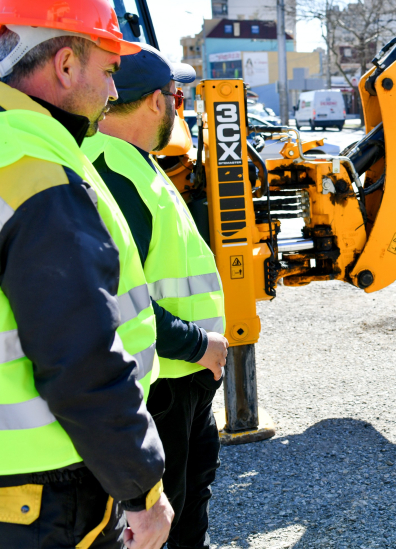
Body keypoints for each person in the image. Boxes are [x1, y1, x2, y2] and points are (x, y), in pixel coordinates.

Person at [0, 0, 173, 548]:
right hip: (42, 492)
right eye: (108, 69)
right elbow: (80, 353)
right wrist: (141, 489)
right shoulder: (37, 171)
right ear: (65, 64)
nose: (113, 92)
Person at [83, 44, 229, 549]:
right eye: (178, 96)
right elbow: (117, 297)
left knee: (189, 507)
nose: (179, 107)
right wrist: (200, 346)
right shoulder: (113, 173)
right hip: (162, 382)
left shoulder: (134, 165)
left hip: (181, 380)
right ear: (154, 102)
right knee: (163, 523)